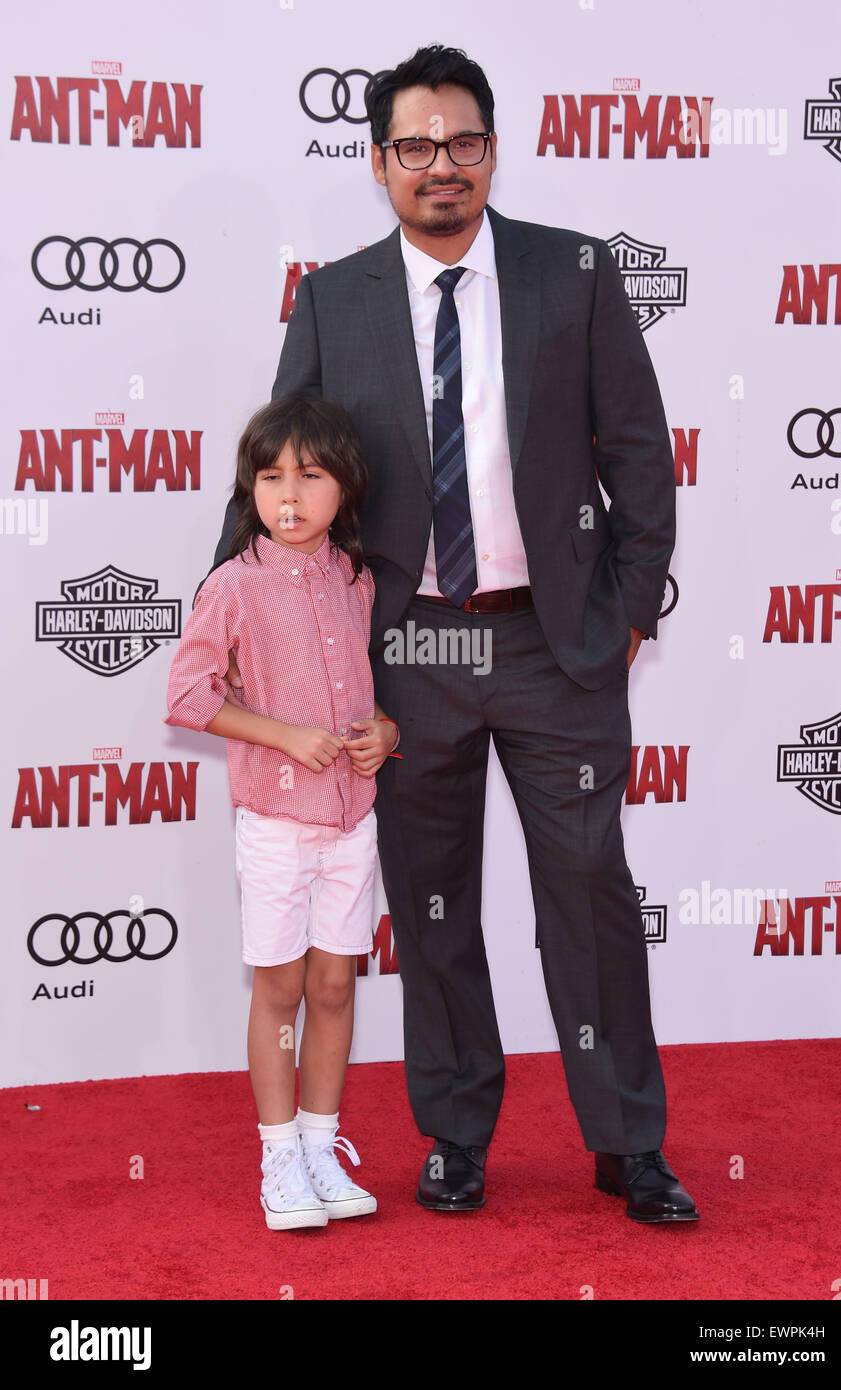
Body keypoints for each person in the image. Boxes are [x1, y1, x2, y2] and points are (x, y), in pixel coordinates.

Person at [208, 45, 699, 1223]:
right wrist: (230, 613)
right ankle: (456, 1132)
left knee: (586, 889)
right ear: (378, 163)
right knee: (431, 898)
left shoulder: (570, 275)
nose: (442, 166)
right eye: (416, 147)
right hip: (404, 652)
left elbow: (637, 448)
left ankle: (628, 1142)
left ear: (491, 150)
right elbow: (285, 458)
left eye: (463, 143)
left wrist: (627, 612)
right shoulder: (334, 296)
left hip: (549, 644)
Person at [167, 394, 399, 1230]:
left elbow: (370, 698)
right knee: (281, 987)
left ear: (346, 487)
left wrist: (383, 733)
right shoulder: (233, 586)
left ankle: (320, 1144)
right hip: (273, 822)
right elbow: (189, 697)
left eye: (309, 474)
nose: (289, 494)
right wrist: (281, 736)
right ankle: (276, 1156)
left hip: (351, 820)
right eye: (270, 477)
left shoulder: (356, 580)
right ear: (250, 490)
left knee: (335, 984)